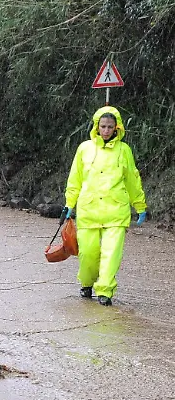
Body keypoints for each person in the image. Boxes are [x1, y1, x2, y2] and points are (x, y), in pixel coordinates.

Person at [62, 106, 146, 307]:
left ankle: (105, 290)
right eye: (103, 126)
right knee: (88, 253)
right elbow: (75, 179)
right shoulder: (84, 148)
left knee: (111, 253)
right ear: (96, 127)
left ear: (117, 128)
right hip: (89, 210)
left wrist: (139, 205)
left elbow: (132, 179)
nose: (106, 130)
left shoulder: (124, 150)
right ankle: (87, 283)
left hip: (116, 210)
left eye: (110, 127)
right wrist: (69, 204)